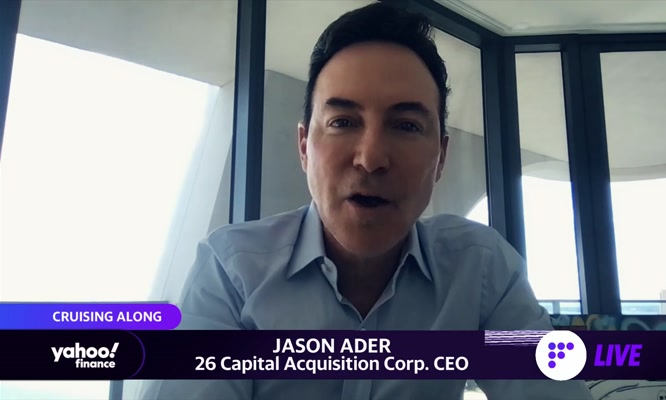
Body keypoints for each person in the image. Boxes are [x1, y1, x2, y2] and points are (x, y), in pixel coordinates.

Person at [141, 2, 594, 399]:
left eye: (406, 126)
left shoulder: (480, 269)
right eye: (342, 121)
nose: (371, 158)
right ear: (304, 147)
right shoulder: (232, 271)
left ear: (441, 157)